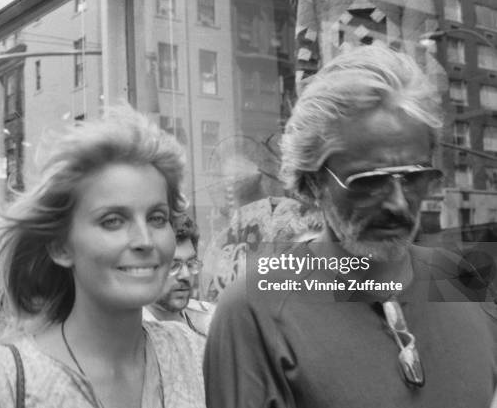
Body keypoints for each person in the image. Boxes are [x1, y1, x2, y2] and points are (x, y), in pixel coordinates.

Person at [204, 45, 497, 408]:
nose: (397, 203)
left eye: (414, 178)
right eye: (368, 182)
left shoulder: (458, 281)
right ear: (312, 184)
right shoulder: (258, 309)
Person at [0, 105, 205, 408]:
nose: (144, 240)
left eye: (157, 218)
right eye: (113, 221)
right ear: (61, 247)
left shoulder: (196, 357)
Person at [144, 214, 215, 337]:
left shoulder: (210, 320)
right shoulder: (128, 335)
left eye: (191, 264)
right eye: (173, 266)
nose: (186, 275)